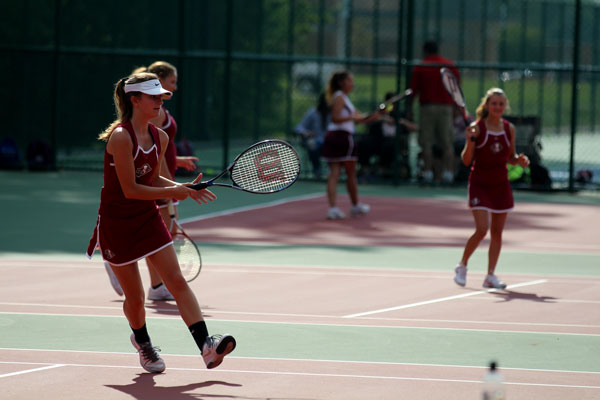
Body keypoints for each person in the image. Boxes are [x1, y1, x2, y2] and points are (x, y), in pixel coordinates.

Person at [87, 72, 236, 373]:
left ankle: (207, 346)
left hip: (146, 217)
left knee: (177, 281)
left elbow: (152, 177)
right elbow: (131, 189)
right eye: (153, 96)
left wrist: (187, 189)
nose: (159, 101)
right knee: (136, 296)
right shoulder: (120, 137)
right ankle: (143, 343)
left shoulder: (160, 136)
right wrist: (175, 191)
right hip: (117, 224)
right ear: (135, 100)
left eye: (161, 96)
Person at [103, 61, 198, 301]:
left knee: (157, 235)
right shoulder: (142, 122)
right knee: (153, 234)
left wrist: (177, 171)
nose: (173, 90)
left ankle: (155, 284)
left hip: (158, 181)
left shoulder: (158, 113)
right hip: (146, 187)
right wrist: (170, 189)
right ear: (159, 79)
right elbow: (153, 166)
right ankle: (118, 261)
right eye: (171, 83)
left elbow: (162, 153)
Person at [453, 88, 530, 289]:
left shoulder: (508, 128)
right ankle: (462, 266)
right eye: (494, 103)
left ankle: (490, 275)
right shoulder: (477, 128)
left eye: (501, 104)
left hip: (500, 184)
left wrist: (519, 161)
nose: (497, 107)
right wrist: (470, 141)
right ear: (487, 106)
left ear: (505, 106)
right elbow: (466, 160)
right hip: (480, 183)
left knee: (497, 232)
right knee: (481, 230)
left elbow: (510, 157)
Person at [321, 70, 382, 219]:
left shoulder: (344, 99)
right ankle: (349, 207)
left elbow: (360, 119)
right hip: (341, 137)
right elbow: (335, 118)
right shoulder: (340, 98)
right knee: (348, 174)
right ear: (342, 83)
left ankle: (340, 208)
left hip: (335, 137)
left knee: (337, 174)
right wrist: (353, 117)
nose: (352, 84)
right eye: (350, 81)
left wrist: (377, 115)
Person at [408, 40, 458, 184]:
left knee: (427, 143)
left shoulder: (422, 65)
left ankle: (428, 173)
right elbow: (456, 90)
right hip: (445, 107)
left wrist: (410, 108)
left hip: (427, 107)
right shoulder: (449, 65)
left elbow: (413, 90)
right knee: (447, 143)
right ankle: (448, 173)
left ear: (425, 51)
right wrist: (455, 109)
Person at [294, 93, 329, 179]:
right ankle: (317, 170)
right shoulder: (312, 113)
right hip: (316, 141)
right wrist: (306, 133)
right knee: (311, 143)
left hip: (330, 142)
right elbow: (299, 127)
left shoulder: (335, 114)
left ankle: (331, 170)